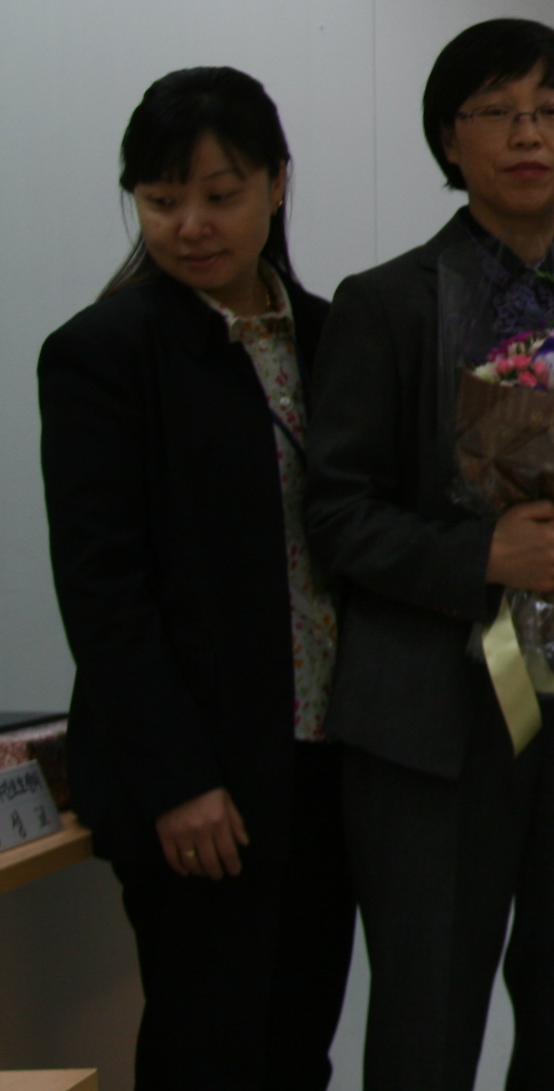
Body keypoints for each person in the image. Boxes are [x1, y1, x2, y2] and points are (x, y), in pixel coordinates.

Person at [305, 19, 554, 1091]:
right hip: (432, 723)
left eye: (552, 111)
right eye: (496, 112)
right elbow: (336, 514)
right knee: (426, 1018)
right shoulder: (384, 302)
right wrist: (481, 553)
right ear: (447, 139)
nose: (527, 134)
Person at [37, 68, 356, 1090]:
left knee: (297, 1046)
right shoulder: (104, 352)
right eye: (160, 198)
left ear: (276, 183)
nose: (190, 226)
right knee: (206, 1053)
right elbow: (104, 589)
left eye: (220, 194)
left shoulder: (335, 337)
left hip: (329, 757)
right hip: (203, 778)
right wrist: (178, 778)